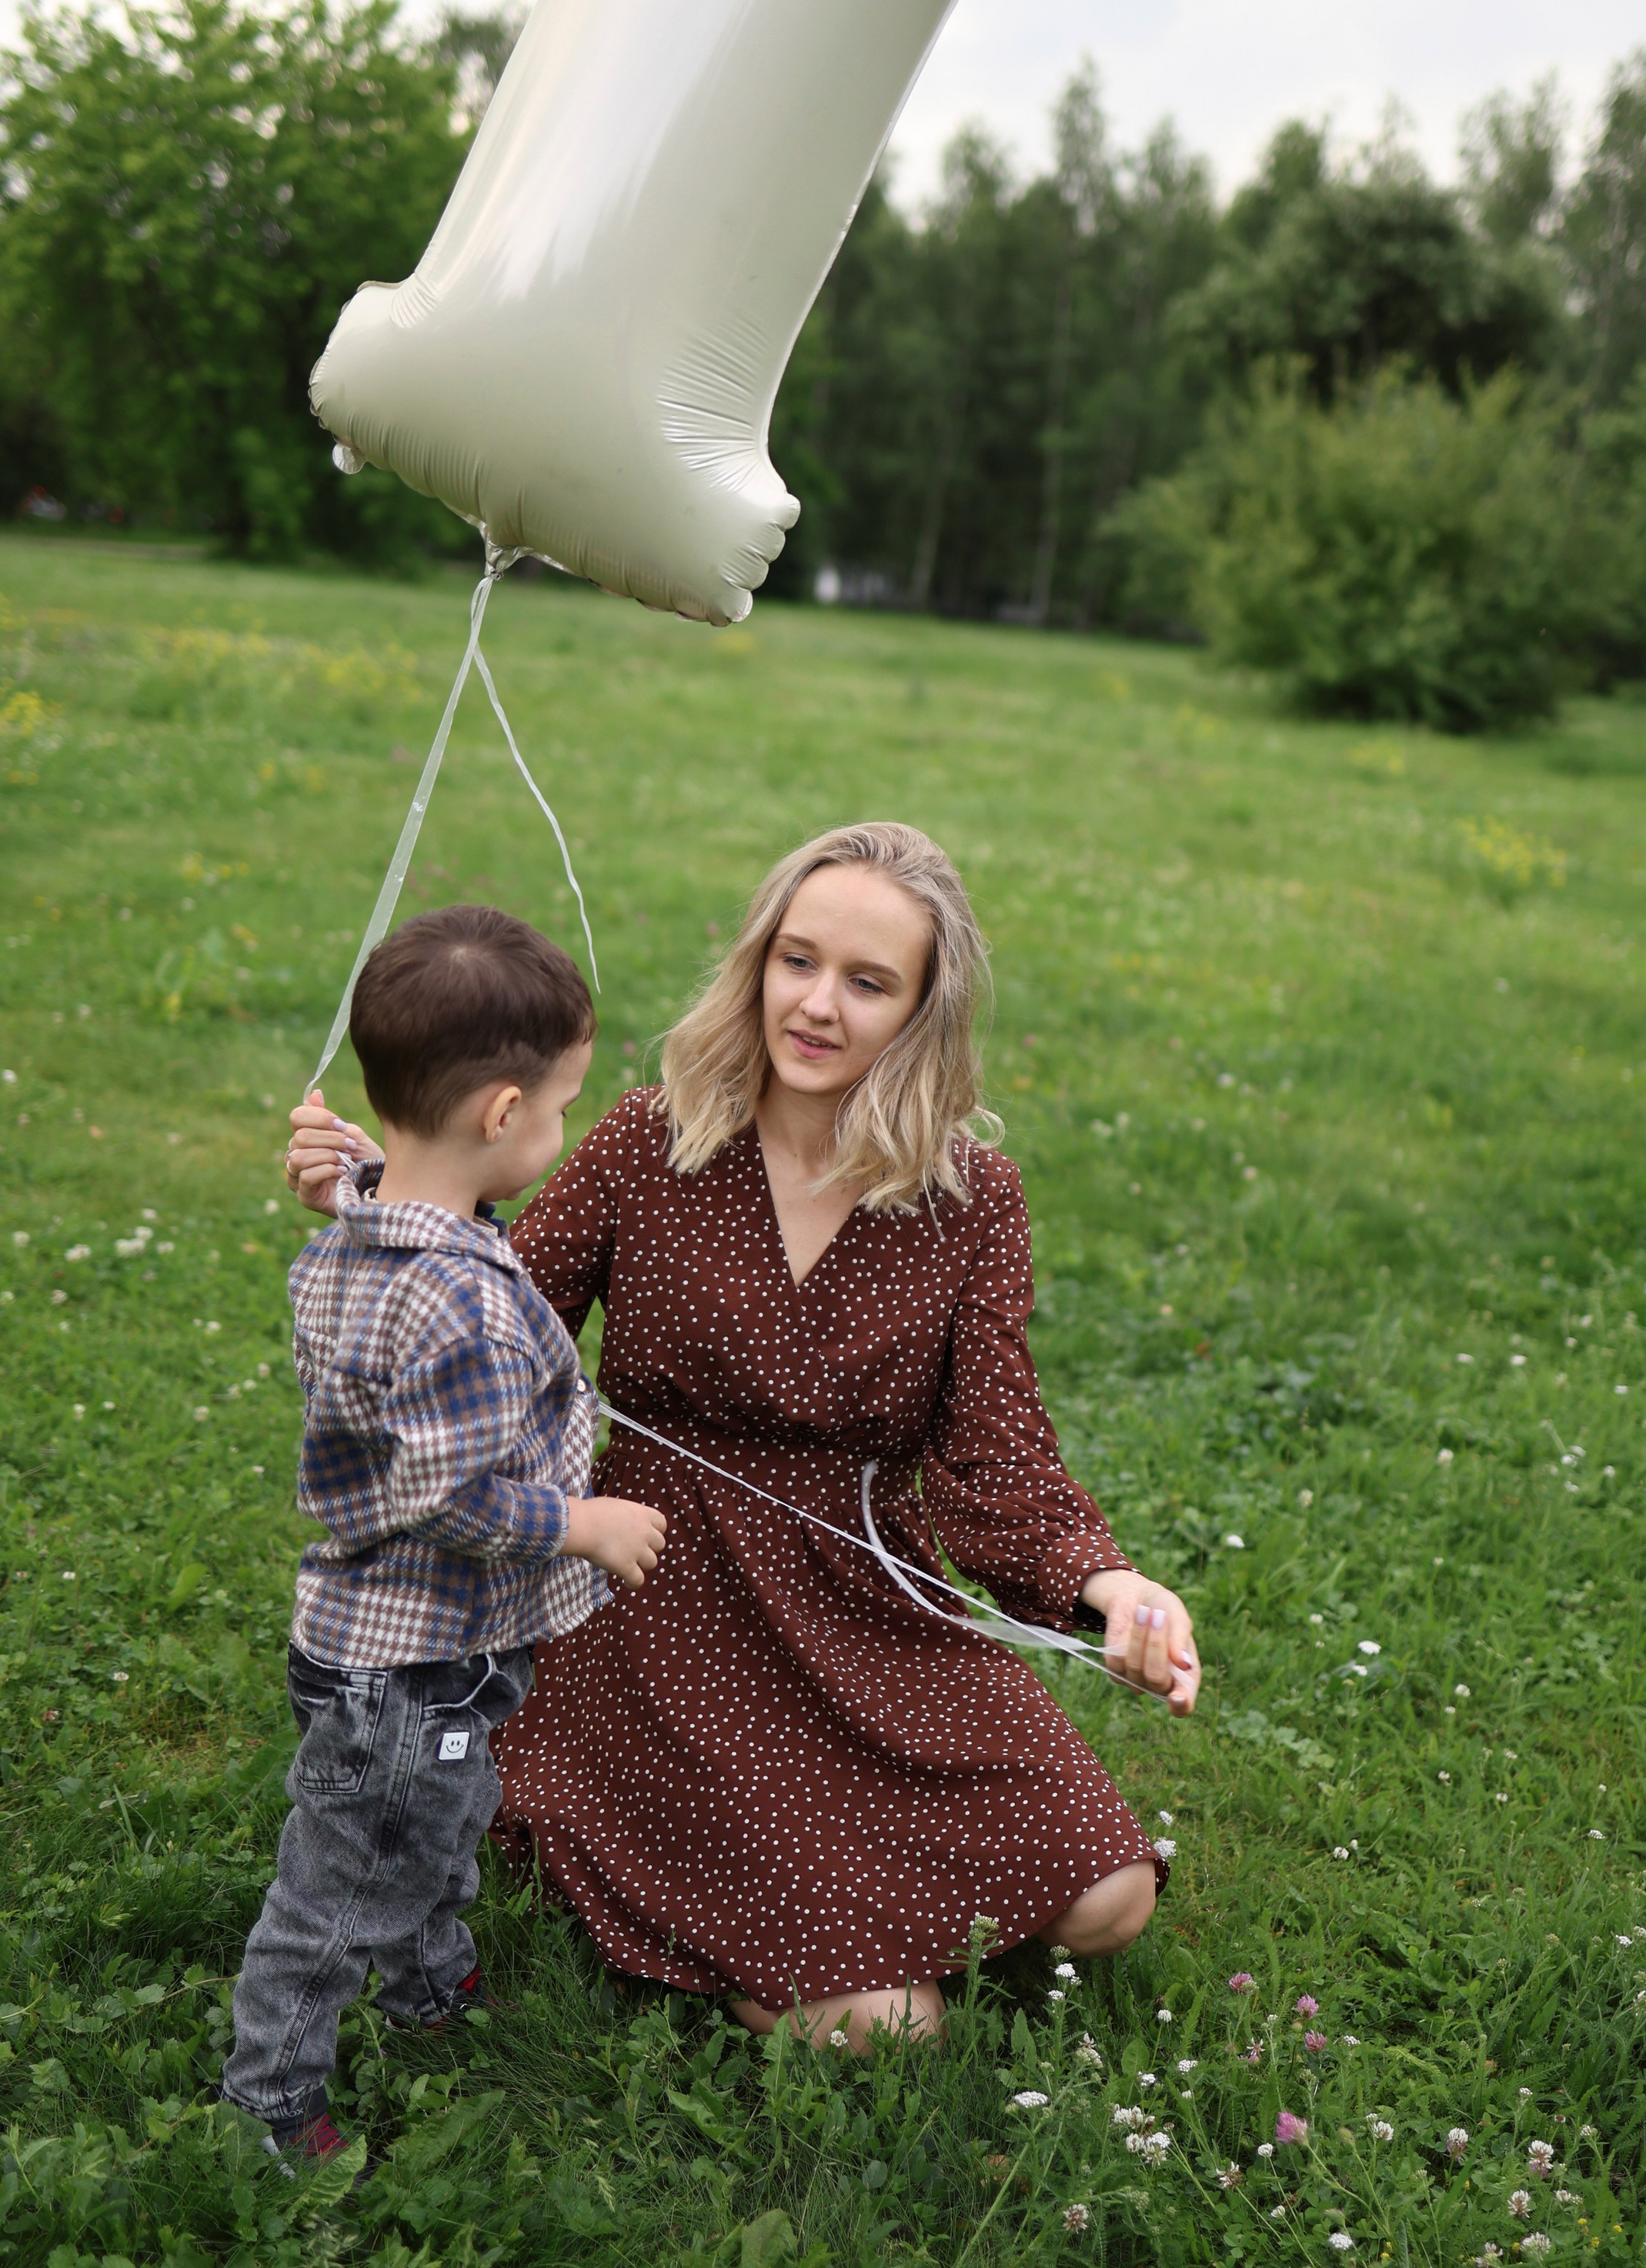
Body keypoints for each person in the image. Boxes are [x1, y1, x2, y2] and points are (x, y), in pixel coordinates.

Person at [286, 825, 1197, 2052]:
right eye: (797, 960)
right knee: (886, 2026)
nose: (816, 1006)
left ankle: (839, 1902)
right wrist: (380, 1192)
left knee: (1111, 1900)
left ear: (922, 1012)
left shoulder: (973, 1200)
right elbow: (491, 1310)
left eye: (867, 982)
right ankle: (687, 1885)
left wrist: (1112, 1586)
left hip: (864, 1593)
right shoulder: (651, 1139)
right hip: (658, 1582)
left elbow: (996, 1449)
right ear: (758, 961)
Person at [222, 907, 666, 2167]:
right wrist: (580, 1523)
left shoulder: (355, 1236)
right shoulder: (462, 1300)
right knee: (345, 1883)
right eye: (561, 1108)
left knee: (435, 1822)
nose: (563, 1129)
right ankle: (269, 2101)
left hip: (369, 1640)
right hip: (416, 1669)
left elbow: (411, 1217)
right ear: (501, 1113)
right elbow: (454, 1499)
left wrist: (363, 1172)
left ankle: (430, 1987)